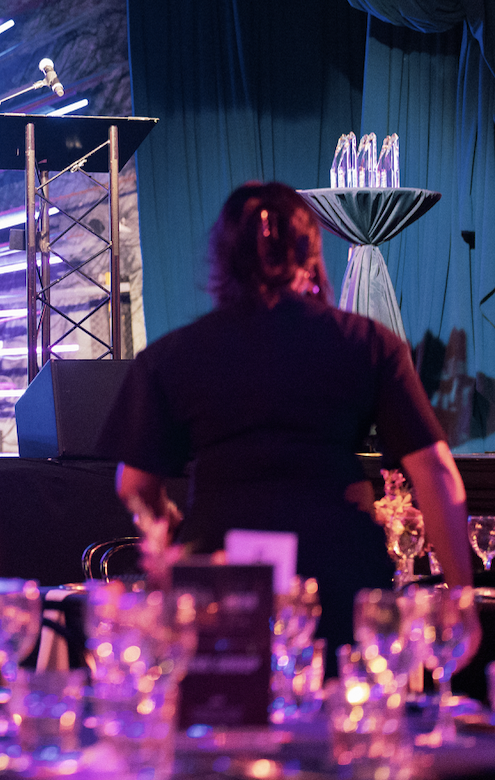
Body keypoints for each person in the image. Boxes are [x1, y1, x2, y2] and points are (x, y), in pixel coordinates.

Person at [97, 181, 471, 649]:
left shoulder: (170, 356)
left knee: (229, 693)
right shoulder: (369, 343)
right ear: (309, 254)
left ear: (223, 258)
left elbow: (133, 486)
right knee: (343, 690)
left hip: (219, 576)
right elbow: (436, 473)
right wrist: (462, 600)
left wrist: (168, 525)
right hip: (339, 572)